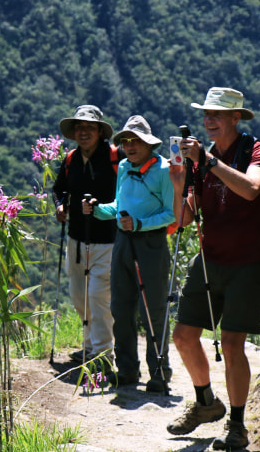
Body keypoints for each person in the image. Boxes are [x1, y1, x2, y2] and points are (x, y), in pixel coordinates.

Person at [166, 87, 260, 450]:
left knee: (231, 343)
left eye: (216, 115)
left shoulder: (257, 152)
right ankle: (206, 403)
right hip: (210, 258)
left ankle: (238, 426)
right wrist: (181, 184)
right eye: (206, 114)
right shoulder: (202, 159)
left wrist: (208, 163)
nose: (208, 120)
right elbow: (185, 218)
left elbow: (252, 189)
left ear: (235, 118)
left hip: (248, 261)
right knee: (182, 335)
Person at [82, 115, 175, 391]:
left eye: (136, 141)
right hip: (123, 242)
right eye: (126, 141)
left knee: (153, 310)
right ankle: (127, 370)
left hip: (151, 245)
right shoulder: (123, 166)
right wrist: (98, 210)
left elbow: (171, 214)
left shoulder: (163, 170)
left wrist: (140, 224)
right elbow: (119, 205)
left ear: (149, 144)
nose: (130, 146)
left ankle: (159, 374)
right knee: (120, 307)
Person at [53, 105, 124, 372]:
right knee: (79, 296)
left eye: (89, 128)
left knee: (97, 297)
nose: (83, 132)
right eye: (79, 128)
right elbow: (58, 189)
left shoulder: (116, 158)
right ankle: (91, 346)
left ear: (99, 132)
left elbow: (125, 192)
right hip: (76, 239)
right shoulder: (71, 159)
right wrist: (60, 206)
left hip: (107, 240)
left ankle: (104, 355)